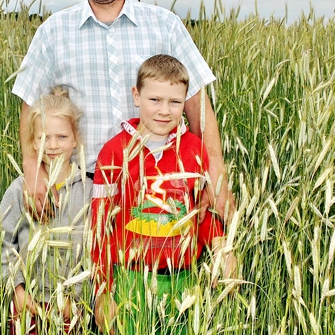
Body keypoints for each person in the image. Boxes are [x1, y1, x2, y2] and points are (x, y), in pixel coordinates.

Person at [12, 0, 234, 223]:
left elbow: (198, 105)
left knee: (154, 270)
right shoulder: (52, 33)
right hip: (79, 187)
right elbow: (29, 105)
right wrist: (32, 171)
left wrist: (215, 175)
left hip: (159, 184)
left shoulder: (165, 25)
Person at [90, 54, 236, 334]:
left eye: (175, 102)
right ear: (136, 95)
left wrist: (221, 248)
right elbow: (100, 227)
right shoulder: (113, 152)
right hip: (130, 282)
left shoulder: (194, 149)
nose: (164, 111)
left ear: (186, 102)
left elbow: (201, 213)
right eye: (154, 100)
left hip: (183, 282)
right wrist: (103, 290)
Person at [0, 87, 92, 334]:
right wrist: (17, 289)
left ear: (76, 138)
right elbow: (0, 245)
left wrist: (78, 297)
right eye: (44, 138)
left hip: (71, 308)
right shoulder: (19, 190)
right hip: (27, 307)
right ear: (33, 143)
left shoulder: (88, 190)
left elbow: (96, 251)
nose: (52, 145)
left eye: (62, 137)